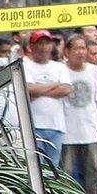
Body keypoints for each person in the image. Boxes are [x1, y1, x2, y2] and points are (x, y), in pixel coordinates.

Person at [21, 30, 73, 165]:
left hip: (56, 126)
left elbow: (66, 89)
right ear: (31, 46)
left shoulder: (60, 67)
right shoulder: (25, 66)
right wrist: (55, 84)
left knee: (53, 168)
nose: (43, 47)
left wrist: (40, 89)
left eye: (47, 43)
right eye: (40, 43)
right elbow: (29, 89)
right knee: (37, 167)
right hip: (33, 125)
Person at [61, 35, 97, 194]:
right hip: (67, 129)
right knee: (66, 171)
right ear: (67, 51)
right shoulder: (61, 70)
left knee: (93, 170)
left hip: (89, 127)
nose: (80, 52)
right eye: (76, 48)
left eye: (83, 48)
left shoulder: (94, 70)